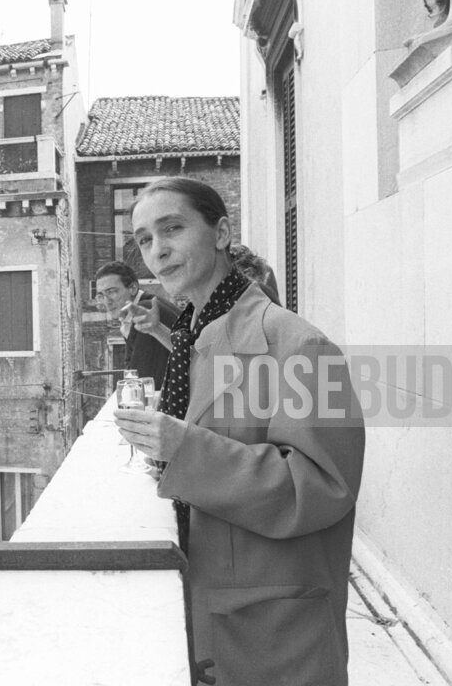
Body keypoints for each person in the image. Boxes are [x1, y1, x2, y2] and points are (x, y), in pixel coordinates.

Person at [115, 177, 364, 685]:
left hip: (277, 635)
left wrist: (183, 447)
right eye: (144, 239)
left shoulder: (300, 345)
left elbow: (323, 486)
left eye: (173, 229)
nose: (158, 251)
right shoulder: (194, 336)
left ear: (222, 232)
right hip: (214, 614)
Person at [94, 261, 180, 387]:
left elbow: (142, 378)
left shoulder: (145, 310)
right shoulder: (142, 307)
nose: (107, 301)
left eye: (112, 292)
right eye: (101, 295)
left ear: (133, 288)